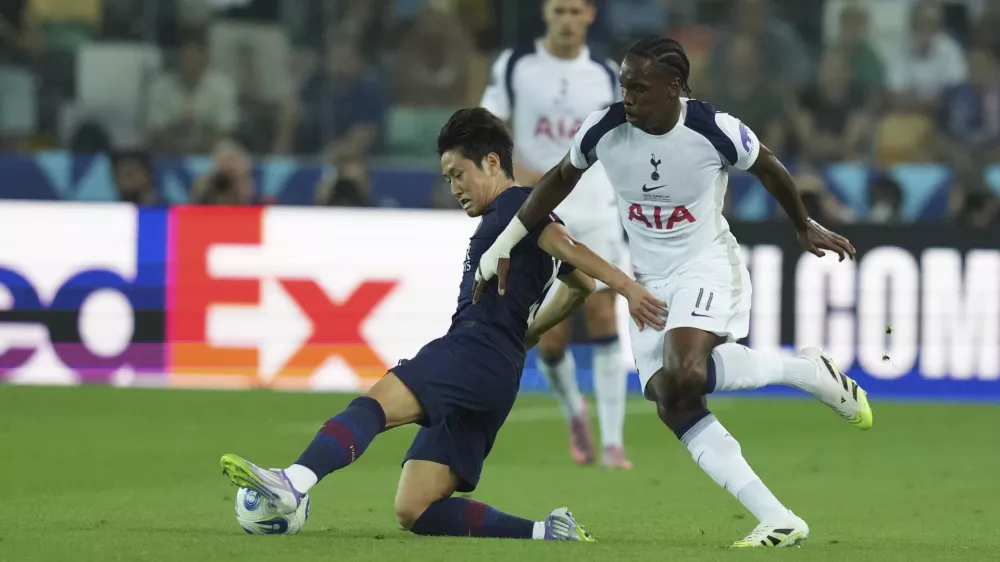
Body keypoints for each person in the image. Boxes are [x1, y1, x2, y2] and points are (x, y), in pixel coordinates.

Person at [472, 35, 872, 548]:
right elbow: (555, 182)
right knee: (672, 399)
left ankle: (804, 374)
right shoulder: (605, 128)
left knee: (687, 370)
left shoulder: (713, 129)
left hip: (705, 264)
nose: (627, 97)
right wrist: (505, 242)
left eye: (638, 87)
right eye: (623, 85)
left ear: (675, 87)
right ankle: (780, 509)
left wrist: (803, 224)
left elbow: (769, 166)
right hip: (649, 276)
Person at [218, 108, 667, 541]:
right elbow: (580, 286)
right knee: (415, 506)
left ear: (492, 162)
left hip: (472, 352)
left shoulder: (518, 205)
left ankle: (293, 481)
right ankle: (545, 531)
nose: (454, 187)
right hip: (499, 370)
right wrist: (526, 336)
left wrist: (627, 287)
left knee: (374, 406)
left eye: (459, 173)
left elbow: (568, 248)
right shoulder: (509, 216)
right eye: (447, 178)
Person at [479, 0, 632, 469]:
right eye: (559, 9)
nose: (567, 19)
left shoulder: (607, 73)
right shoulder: (516, 65)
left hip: (597, 206)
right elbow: (487, 125)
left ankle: (613, 443)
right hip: (540, 207)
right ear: (547, 13)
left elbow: (626, 135)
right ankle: (574, 411)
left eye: (576, 10)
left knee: (605, 312)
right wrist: (512, 170)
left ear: (589, 16)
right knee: (550, 333)